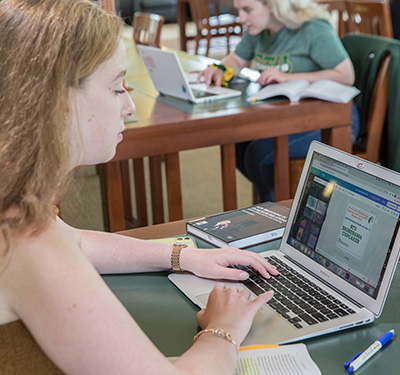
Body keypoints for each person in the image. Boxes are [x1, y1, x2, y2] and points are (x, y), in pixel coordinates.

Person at [0, 1, 279, 374]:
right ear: (56, 102)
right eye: (117, 88)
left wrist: (186, 257)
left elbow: (76, 242)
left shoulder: (17, 203)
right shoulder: (26, 241)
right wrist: (222, 330)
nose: (129, 106)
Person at [199, 0, 360, 202]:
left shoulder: (312, 28)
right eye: (238, 10)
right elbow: (236, 60)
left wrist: (291, 78)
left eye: (247, 10)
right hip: (284, 117)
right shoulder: (257, 30)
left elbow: (346, 75)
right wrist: (220, 68)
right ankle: (278, 202)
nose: (241, 18)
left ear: (273, 7)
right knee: (238, 144)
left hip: (329, 120)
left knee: (259, 155)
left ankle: (278, 214)